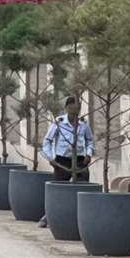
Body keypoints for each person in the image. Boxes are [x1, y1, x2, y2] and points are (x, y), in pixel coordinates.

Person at [38, 96, 94, 226]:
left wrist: (89, 154)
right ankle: (48, 216)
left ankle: (80, 217)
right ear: (67, 108)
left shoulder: (83, 124)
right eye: (71, 108)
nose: (74, 112)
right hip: (62, 161)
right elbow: (47, 141)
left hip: (80, 161)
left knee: (83, 188)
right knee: (58, 190)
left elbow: (89, 140)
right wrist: (50, 157)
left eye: (77, 109)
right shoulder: (59, 123)